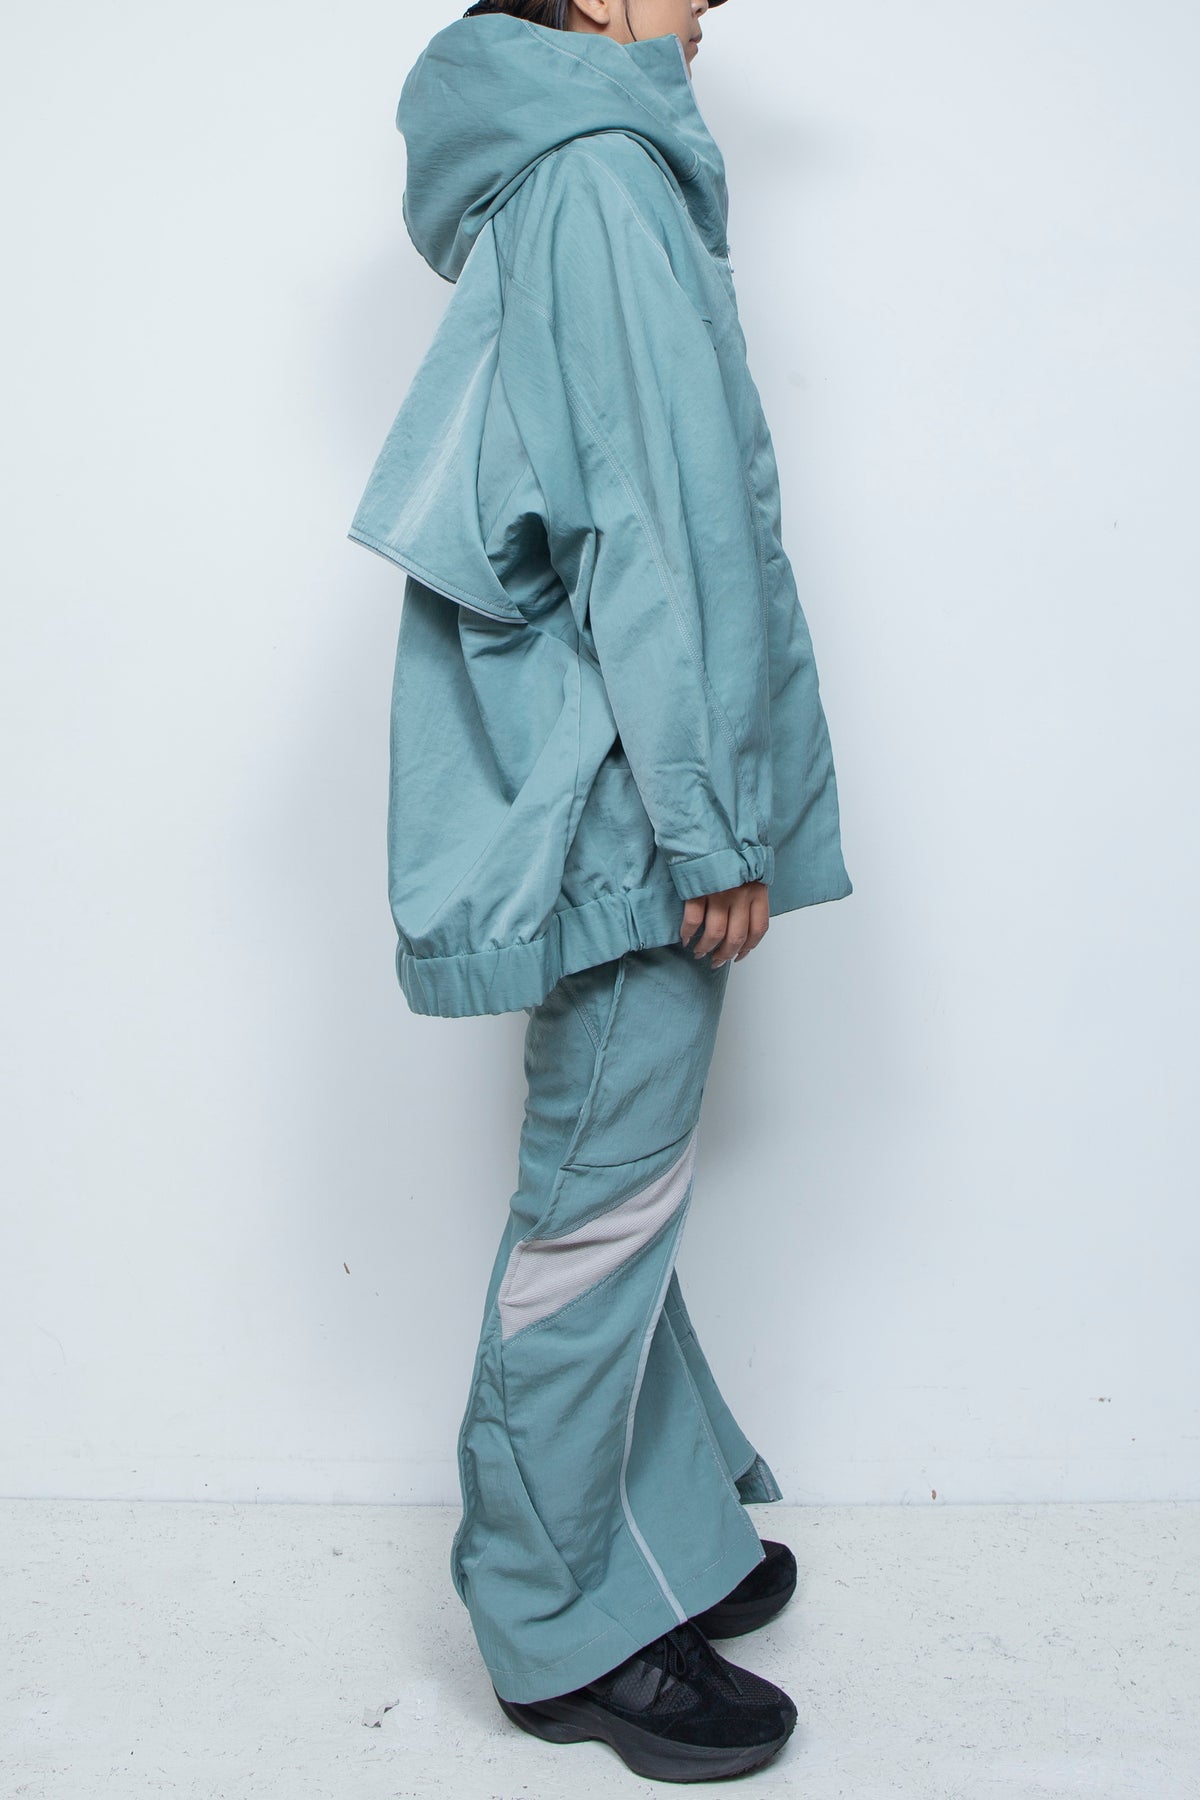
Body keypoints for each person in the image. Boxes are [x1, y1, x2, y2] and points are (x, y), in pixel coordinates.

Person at [346, 0, 854, 1781]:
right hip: (622, 799)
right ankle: (557, 1620)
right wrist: (715, 824)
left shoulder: (566, 165)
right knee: (593, 1215)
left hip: (608, 771)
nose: (716, 6)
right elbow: (655, 518)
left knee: (615, 1189)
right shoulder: (599, 178)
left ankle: (665, 1543)